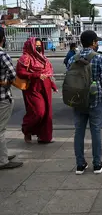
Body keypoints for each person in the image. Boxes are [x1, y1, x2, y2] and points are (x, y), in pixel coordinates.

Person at [67, 30, 102, 175]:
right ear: (93, 43)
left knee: (79, 132)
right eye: (97, 41)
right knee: (96, 132)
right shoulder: (99, 58)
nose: (98, 43)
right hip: (96, 99)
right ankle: (97, 164)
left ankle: (80, 165)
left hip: (78, 99)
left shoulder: (73, 58)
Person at [16, 37, 58, 144]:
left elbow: (48, 74)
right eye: (36, 45)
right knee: (38, 112)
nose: (38, 47)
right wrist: (36, 75)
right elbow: (20, 72)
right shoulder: (25, 58)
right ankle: (27, 129)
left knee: (47, 112)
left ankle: (44, 136)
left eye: (40, 45)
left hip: (46, 86)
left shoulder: (43, 58)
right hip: (33, 87)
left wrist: (52, 85)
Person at [0, 27, 23, 169]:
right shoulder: (2, 55)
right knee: (1, 129)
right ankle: (3, 160)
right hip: (2, 97)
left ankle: (2, 154)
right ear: (3, 38)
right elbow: (14, 75)